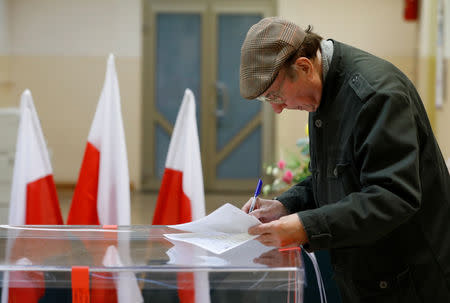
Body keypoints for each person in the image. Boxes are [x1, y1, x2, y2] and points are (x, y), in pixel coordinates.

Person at [239, 17, 450, 302]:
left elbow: (393, 196)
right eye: (268, 100)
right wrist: (285, 205)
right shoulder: (321, 89)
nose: (277, 109)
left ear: (304, 67)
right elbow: (336, 176)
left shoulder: (376, 96)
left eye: (275, 95)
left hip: (410, 281)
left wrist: (305, 227)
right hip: (368, 276)